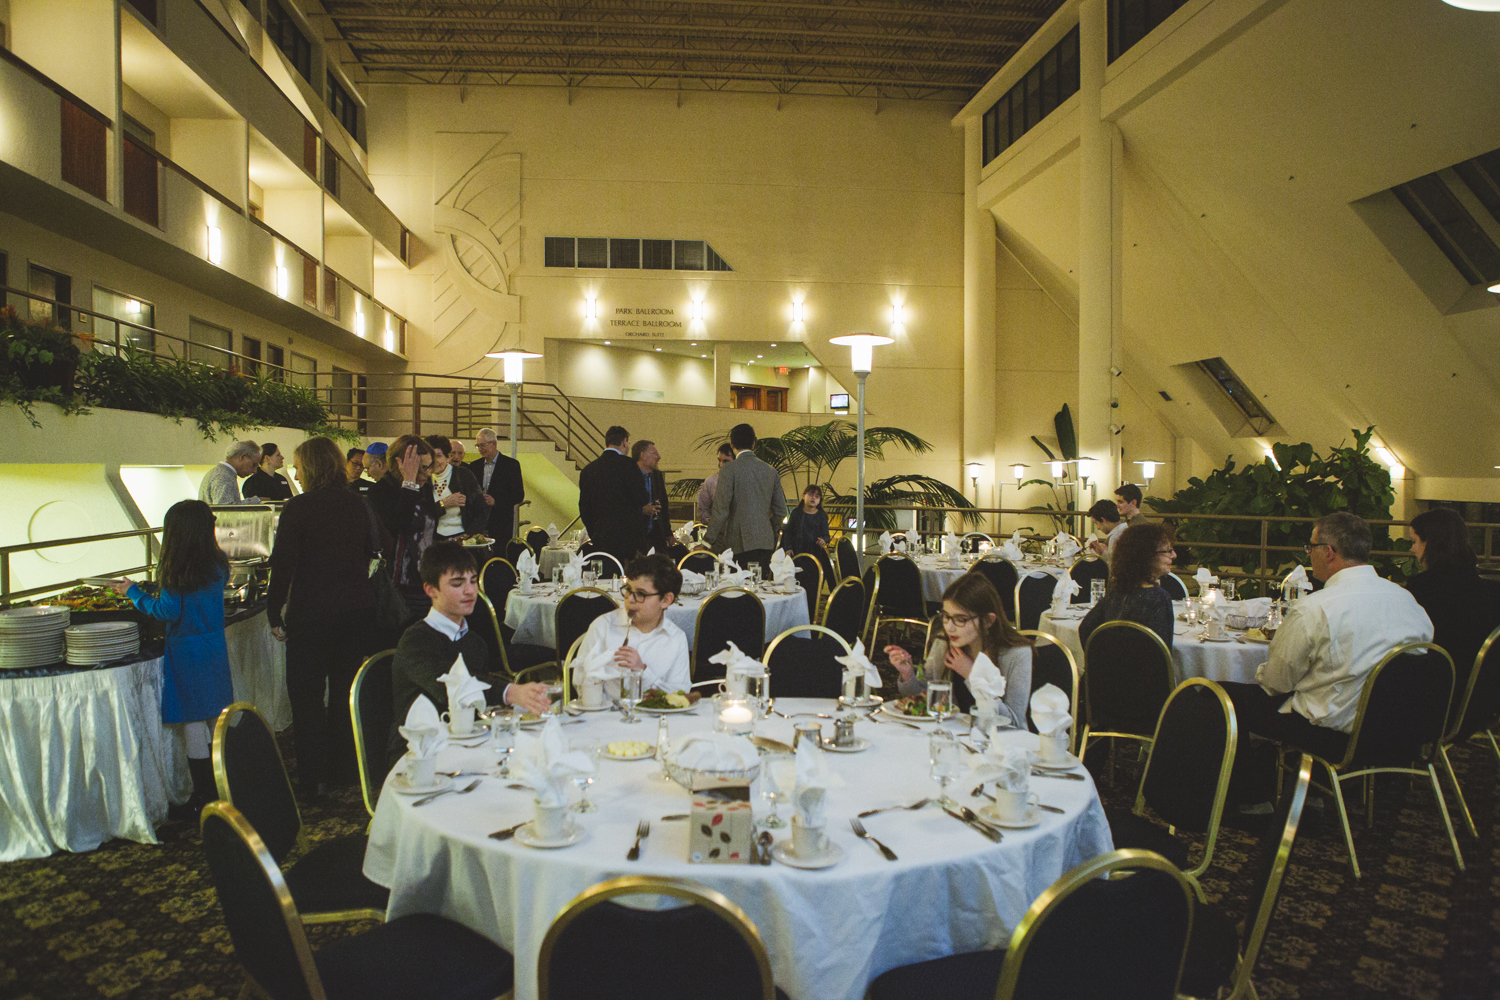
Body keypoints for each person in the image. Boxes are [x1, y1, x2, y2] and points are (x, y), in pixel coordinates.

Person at [1220, 513, 1435, 780]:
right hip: (1398, 730)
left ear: (1328, 552)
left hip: (1333, 735)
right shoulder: (1408, 601)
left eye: (1310, 547)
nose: (1308, 554)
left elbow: (1276, 684)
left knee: (1215, 696)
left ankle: (1248, 793)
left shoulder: (1315, 609)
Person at [265, 436, 380, 799]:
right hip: (354, 609)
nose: (295, 471)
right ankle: (345, 768)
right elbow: (370, 552)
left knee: (307, 698)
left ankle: (313, 778)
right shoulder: (357, 503)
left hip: (312, 612)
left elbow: (282, 566)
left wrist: (273, 612)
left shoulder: (298, 508)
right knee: (346, 692)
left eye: (298, 465)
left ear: (310, 467)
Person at [108, 500, 233, 814]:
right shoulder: (218, 562)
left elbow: (166, 611)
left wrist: (133, 593)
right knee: (214, 716)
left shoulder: (176, 567)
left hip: (186, 651)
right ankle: (225, 786)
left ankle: (203, 795)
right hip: (214, 645)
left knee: (192, 720)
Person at [388, 542, 551, 767]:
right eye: (457, 583)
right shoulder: (415, 641)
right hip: (420, 754)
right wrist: (509, 691)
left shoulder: (474, 642)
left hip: (465, 744)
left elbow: (477, 708)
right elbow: (452, 686)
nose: (470, 591)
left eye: (473, 581)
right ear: (430, 590)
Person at [886, 573, 1032, 722]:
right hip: (952, 735)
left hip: (996, 742)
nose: (950, 627)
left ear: (988, 621)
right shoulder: (944, 643)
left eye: (960, 619)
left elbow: (1014, 722)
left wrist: (973, 675)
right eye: (946, 616)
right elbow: (926, 700)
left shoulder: (1017, 654)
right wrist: (908, 675)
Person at [1407, 507, 1500, 697]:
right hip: (1477, 690)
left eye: (1415, 541)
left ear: (1431, 543)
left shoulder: (1423, 587)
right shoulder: (1481, 586)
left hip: (1438, 688)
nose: (1412, 548)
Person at [572, 554, 691, 694]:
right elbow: (579, 682)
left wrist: (642, 673)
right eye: (628, 590)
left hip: (656, 715)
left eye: (641, 594)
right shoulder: (603, 626)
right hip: (607, 713)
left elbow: (680, 696)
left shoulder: (675, 638)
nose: (630, 600)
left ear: (665, 600)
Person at [370, 435, 441, 623]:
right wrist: (409, 483)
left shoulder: (424, 488)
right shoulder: (380, 491)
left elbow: (429, 528)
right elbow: (398, 526)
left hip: (425, 578)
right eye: (422, 468)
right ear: (401, 464)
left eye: (429, 467)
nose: (427, 473)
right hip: (397, 584)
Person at [1078, 522, 1178, 650]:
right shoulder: (1159, 598)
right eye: (1168, 551)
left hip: (1108, 669)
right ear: (1147, 557)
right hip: (1145, 670)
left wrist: (1100, 662)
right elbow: (1162, 652)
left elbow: (1086, 628)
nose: (1174, 555)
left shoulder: (1116, 592)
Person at [707, 423, 787, 571]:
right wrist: (769, 529)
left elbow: (721, 511)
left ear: (731, 444)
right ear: (754, 443)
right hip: (765, 541)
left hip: (738, 543)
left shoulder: (729, 470)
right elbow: (781, 510)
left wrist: (707, 541)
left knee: (738, 590)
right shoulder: (770, 471)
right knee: (759, 589)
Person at [578, 425, 649, 564]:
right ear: (624, 442)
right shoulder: (629, 465)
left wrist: (595, 533)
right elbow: (642, 498)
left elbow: (584, 508)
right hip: (628, 540)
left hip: (601, 539)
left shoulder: (589, 470)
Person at [424, 435, 485, 540]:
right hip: (434, 539)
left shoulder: (463, 475)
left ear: (448, 457)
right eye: (431, 456)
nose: (434, 461)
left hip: (462, 538)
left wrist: (469, 535)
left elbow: (483, 509)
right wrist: (443, 504)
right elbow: (423, 514)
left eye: (439, 456)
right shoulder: (424, 479)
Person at [469, 428, 525, 541]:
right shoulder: (474, 466)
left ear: (494, 443)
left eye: (483, 445)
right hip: (479, 523)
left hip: (501, 523)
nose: (480, 449)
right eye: (478, 445)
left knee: (500, 556)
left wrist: (495, 501)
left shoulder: (510, 465)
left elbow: (518, 495)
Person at [783, 484, 833, 582]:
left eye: (817, 496)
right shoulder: (796, 513)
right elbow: (788, 532)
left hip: (814, 553)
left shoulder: (822, 516)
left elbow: (826, 535)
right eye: (810, 495)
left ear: (819, 500)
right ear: (803, 496)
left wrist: (823, 540)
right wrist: (788, 547)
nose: (813, 498)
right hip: (797, 551)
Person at [633, 438, 671, 553]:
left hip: (656, 538)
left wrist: (668, 534)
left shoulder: (657, 476)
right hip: (636, 537)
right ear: (643, 455)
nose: (659, 457)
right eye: (655, 453)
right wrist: (642, 510)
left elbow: (664, 505)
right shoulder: (630, 477)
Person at [199, 440, 262, 504]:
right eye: (254, 465)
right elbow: (225, 510)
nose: (255, 471)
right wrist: (255, 501)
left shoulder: (220, 472)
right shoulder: (223, 476)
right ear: (243, 457)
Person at [694, 442, 735, 525]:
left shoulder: (745, 480)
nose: (721, 465)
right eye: (719, 460)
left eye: (726, 461)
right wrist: (710, 520)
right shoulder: (711, 482)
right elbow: (702, 509)